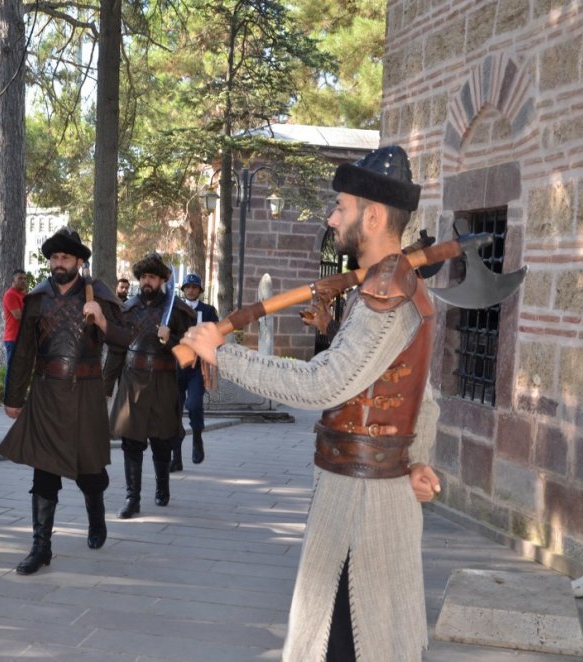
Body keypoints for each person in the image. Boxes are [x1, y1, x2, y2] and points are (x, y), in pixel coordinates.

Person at [180, 145, 442, 662]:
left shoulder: (385, 293)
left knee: (347, 643)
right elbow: (424, 397)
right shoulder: (388, 287)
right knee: (359, 639)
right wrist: (419, 460)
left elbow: (325, 384)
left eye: (340, 207)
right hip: (367, 488)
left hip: (362, 505)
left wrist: (223, 354)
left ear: (371, 216)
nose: (331, 217)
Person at [0, 227, 130, 575]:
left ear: (79, 261)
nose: (58, 263)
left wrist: (101, 319)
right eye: (54, 258)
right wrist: (13, 396)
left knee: (90, 471)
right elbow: (23, 351)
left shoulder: (98, 295)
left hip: (85, 391)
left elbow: (124, 340)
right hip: (46, 392)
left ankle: (96, 516)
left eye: (65, 258)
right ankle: (41, 547)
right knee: (44, 469)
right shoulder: (37, 299)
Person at [105, 254, 194, 518]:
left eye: (152, 277)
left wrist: (172, 340)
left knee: (161, 441)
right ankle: (132, 498)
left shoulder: (178, 311)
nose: (146, 281)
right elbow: (116, 349)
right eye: (143, 277)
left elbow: (189, 356)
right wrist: (106, 386)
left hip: (163, 382)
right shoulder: (128, 309)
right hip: (132, 382)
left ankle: (162, 487)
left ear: (162, 280)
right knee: (131, 443)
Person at [172, 273, 219, 470]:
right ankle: (176, 458)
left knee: (193, 405)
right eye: (188, 287)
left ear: (200, 290)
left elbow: (216, 335)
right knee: (173, 413)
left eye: (194, 287)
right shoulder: (174, 309)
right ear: (183, 290)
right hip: (177, 365)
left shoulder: (208, 310)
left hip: (197, 367)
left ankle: (197, 436)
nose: (191, 290)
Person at [2, 268, 28, 365]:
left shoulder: (23, 295)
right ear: (13, 280)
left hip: (21, 337)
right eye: (20, 278)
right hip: (13, 338)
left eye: (25, 279)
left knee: (21, 369)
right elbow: (18, 315)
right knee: (13, 370)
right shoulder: (10, 294)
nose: (23, 281)